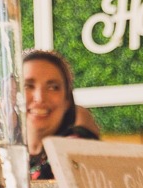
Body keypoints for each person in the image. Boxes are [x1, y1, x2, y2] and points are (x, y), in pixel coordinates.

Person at [23, 49, 99, 180]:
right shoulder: (0, 157)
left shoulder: (77, 152)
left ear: (67, 101)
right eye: (28, 86)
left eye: (53, 87)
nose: (40, 98)